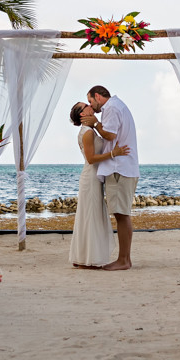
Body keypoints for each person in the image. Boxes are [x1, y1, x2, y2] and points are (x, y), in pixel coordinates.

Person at [80, 86, 138, 271]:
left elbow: (111, 134)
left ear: (98, 96)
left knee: (121, 215)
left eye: (90, 101)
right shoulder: (116, 106)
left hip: (118, 168)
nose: (91, 106)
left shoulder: (111, 108)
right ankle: (124, 259)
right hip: (121, 167)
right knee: (122, 214)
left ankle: (124, 260)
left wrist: (96, 124)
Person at [67, 102, 130, 268]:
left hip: (95, 178)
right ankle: (87, 259)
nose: (90, 106)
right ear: (82, 114)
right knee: (90, 217)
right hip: (90, 179)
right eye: (86, 106)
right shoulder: (87, 133)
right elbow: (91, 158)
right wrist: (113, 153)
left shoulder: (91, 130)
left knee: (89, 216)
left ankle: (82, 256)